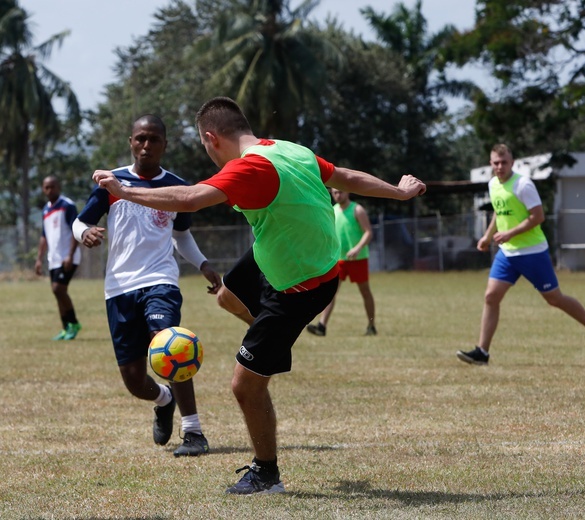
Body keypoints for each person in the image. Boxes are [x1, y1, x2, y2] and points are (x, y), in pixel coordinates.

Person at [91, 97, 426, 495]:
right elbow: (346, 176)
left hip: (300, 285)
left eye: (203, 146)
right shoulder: (289, 150)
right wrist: (399, 192)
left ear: (211, 138)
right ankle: (269, 339)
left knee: (244, 386)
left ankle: (267, 474)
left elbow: (187, 199)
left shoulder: (249, 168)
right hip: (289, 257)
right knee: (225, 295)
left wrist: (124, 191)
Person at [72, 115, 222, 457]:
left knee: (172, 344)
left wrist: (203, 263)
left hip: (160, 281)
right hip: (119, 289)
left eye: (154, 139)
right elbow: (80, 222)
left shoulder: (177, 187)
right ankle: (163, 400)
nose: (146, 145)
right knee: (134, 380)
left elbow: (181, 236)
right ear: (130, 142)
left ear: (164, 145)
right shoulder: (112, 183)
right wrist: (86, 233)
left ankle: (194, 432)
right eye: (140, 138)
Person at [456, 144, 585, 366]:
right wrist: (488, 236)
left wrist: (509, 233)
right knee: (491, 297)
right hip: (508, 253)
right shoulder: (492, 185)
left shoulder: (523, 184)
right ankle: (482, 352)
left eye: (504, 162)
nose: (500, 166)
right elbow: (499, 213)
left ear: (512, 162)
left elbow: (538, 217)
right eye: (496, 163)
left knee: (554, 299)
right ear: (491, 163)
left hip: (532, 252)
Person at [306, 188, 377, 336]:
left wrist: (357, 248)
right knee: (330, 292)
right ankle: (322, 326)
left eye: (341, 192)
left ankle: (371, 325)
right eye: (335, 192)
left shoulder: (357, 210)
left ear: (348, 192)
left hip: (358, 258)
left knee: (365, 291)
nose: (338, 195)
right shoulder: (332, 210)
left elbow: (368, 232)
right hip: (338, 259)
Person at [35, 175, 83, 341]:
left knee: (58, 289)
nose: (49, 190)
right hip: (53, 258)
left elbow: (75, 231)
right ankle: (65, 328)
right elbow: (44, 236)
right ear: (43, 189)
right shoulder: (46, 210)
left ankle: (74, 323)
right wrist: (39, 259)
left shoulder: (67, 205)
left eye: (52, 187)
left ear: (58, 187)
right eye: (46, 187)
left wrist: (69, 255)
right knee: (57, 293)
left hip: (67, 257)